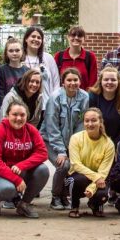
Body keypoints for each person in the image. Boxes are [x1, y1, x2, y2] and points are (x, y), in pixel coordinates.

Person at [0, 101, 50, 218]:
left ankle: (24, 205)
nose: (18, 118)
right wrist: (16, 179)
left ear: (27, 116)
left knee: (43, 170)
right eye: (15, 114)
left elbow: (43, 153)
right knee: (8, 189)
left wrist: (22, 165)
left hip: (18, 170)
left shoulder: (31, 130)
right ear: (7, 115)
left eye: (22, 115)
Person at [43, 68, 89, 210]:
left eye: (75, 80)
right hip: (50, 140)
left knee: (72, 166)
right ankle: (55, 197)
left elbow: (82, 124)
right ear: (63, 82)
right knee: (63, 165)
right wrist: (62, 151)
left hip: (71, 142)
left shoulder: (84, 97)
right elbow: (52, 126)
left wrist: (74, 147)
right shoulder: (55, 97)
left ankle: (64, 196)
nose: (72, 83)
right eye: (69, 80)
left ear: (80, 82)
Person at [67, 108, 116, 218]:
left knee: (102, 195)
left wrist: (92, 188)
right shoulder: (76, 138)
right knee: (78, 180)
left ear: (100, 122)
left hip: (99, 178)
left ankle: (95, 205)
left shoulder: (109, 144)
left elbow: (103, 172)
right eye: (86, 120)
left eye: (94, 120)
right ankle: (74, 206)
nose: (90, 124)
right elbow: (76, 164)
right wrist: (96, 178)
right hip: (78, 176)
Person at [88, 66, 120, 144]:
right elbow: (89, 121)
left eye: (113, 80)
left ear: (118, 82)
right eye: (106, 79)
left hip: (119, 141)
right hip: (95, 140)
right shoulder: (92, 96)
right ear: (100, 81)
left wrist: (116, 143)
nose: (109, 82)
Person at [22, 25, 61, 102]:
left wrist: (54, 101)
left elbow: (56, 81)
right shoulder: (20, 58)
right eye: (33, 36)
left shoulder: (48, 58)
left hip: (46, 104)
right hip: (24, 104)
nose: (36, 39)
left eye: (39, 38)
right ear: (26, 39)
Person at [54, 25, 98, 91]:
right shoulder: (59, 56)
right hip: (62, 98)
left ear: (84, 39)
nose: (76, 38)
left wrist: (87, 97)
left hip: (84, 99)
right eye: (73, 35)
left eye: (80, 36)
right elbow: (55, 80)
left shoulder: (90, 57)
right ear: (68, 37)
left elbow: (93, 82)